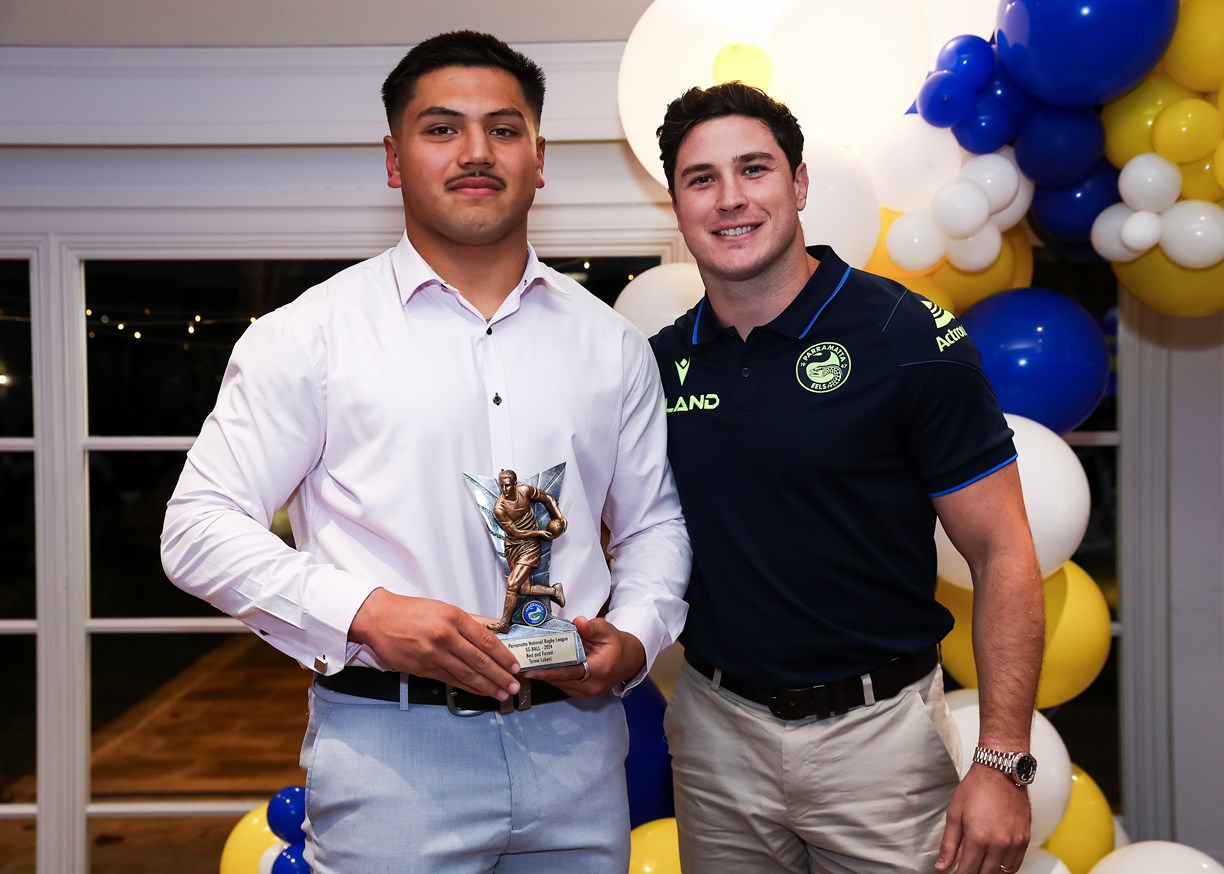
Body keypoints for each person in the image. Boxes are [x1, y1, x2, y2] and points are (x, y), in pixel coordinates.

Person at [160, 30, 690, 873]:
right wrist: (367, 611)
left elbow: (654, 525)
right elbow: (196, 529)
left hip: (581, 747)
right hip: (391, 756)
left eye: (504, 129)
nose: (477, 151)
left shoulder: (610, 343)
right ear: (394, 159)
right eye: (442, 128)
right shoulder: (310, 336)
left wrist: (633, 638)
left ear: (539, 159)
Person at [649, 82, 1044, 874]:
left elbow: (1002, 551)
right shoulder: (659, 363)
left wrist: (1003, 760)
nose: (730, 199)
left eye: (754, 169)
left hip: (878, 741)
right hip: (716, 736)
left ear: (798, 183)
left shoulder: (907, 335)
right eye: (701, 179)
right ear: (678, 206)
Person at [489, 468, 567, 633]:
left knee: (512, 584)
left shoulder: (525, 491)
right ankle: (554, 590)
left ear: (515, 484)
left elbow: (547, 498)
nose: (504, 489)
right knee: (523, 589)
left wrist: (559, 516)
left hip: (530, 547)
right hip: (513, 546)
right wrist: (540, 533)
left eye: (508, 485)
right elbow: (515, 532)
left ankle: (504, 624)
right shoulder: (499, 508)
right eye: (502, 486)